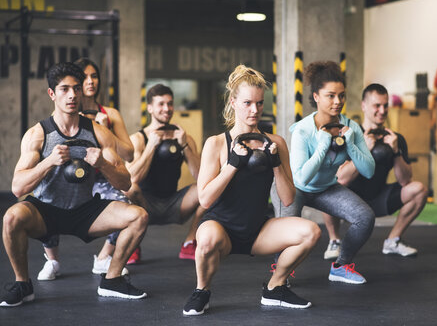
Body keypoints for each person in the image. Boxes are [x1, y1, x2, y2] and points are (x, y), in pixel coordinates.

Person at [0, 62, 148, 307]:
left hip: (84, 210)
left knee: (138, 216)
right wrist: (48, 162)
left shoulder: (99, 133)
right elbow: (18, 187)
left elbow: (125, 182)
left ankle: (112, 280)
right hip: (45, 211)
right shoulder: (38, 135)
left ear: (82, 92)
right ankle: (22, 285)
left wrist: (104, 164)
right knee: (11, 218)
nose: (71, 95)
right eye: (64, 89)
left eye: (76, 89)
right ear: (52, 94)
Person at [182, 65, 320, 316]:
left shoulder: (275, 143)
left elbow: (288, 200)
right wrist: (232, 165)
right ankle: (202, 291)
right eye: (247, 103)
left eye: (259, 103)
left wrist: (276, 164)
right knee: (206, 238)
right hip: (222, 229)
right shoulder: (216, 144)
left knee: (310, 231)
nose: (254, 110)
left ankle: (274, 287)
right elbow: (204, 199)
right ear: (233, 102)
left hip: (259, 231)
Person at [271, 61, 375, 285]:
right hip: (293, 187)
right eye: (330, 96)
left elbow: (369, 170)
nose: (337, 102)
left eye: (341, 95)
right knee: (286, 231)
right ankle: (280, 273)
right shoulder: (303, 130)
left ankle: (341, 266)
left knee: (364, 217)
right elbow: (301, 178)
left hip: (325, 188)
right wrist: (322, 145)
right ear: (316, 96)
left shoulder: (351, 128)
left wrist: (351, 146)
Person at [37, 58, 135, 281]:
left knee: (128, 202)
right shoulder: (65, 109)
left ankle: (103, 258)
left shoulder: (109, 114)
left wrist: (104, 128)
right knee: (45, 197)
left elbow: (129, 153)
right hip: (65, 178)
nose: (90, 81)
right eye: (84, 77)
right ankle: (52, 260)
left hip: (99, 180)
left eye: (94, 76)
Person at [98, 83, 205, 264]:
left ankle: (189, 242)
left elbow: (200, 176)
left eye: (170, 104)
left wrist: (184, 145)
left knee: (207, 189)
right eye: (161, 104)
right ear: (149, 108)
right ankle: (132, 242)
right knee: (129, 190)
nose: (167, 109)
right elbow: (130, 180)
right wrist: (151, 146)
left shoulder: (183, 137)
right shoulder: (138, 139)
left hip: (175, 204)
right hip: (145, 205)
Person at [323, 84, 427, 260]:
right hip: (351, 202)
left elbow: (405, 181)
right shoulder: (349, 136)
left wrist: (396, 151)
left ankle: (393, 241)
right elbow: (341, 179)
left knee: (419, 189)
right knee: (326, 184)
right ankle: (335, 241)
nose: (382, 110)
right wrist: (364, 150)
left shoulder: (395, 138)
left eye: (385, 105)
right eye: (376, 106)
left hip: (379, 199)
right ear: (364, 106)